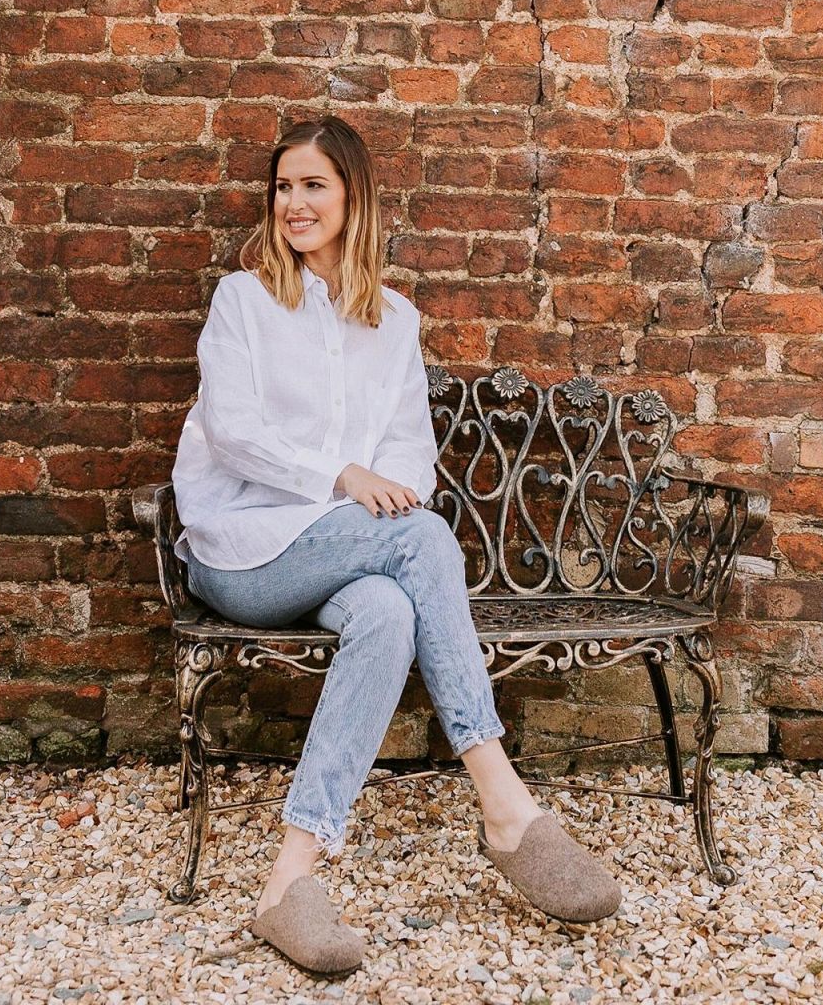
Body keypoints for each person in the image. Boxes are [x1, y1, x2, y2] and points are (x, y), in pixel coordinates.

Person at [170, 115, 621, 975]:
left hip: (349, 554)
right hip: (245, 549)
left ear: (353, 197)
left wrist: (392, 489)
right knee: (418, 542)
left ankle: (288, 881)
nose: (294, 204)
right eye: (283, 187)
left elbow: (409, 445)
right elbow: (232, 433)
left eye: (314, 186)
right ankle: (503, 802)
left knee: (384, 611)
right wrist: (346, 479)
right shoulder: (246, 301)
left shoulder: (395, 318)